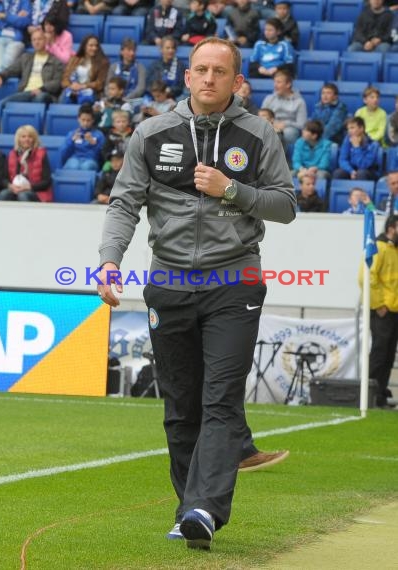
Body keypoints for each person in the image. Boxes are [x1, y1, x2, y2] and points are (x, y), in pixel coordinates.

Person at [97, 37, 296, 550]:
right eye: (200, 70)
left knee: (221, 398)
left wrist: (231, 189)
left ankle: (206, 508)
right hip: (169, 284)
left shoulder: (258, 134)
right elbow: (124, 204)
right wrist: (109, 262)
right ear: (187, 77)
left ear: (236, 80)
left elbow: (285, 204)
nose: (209, 78)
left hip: (235, 282)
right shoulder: (151, 131)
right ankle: (189, 509)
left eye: (219, 71)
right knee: (181, 406)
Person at [359, 214, 398, 408]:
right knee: (379, 354)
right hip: (383, 311)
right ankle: (369, 396)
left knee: (389, 355)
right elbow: (366, 277)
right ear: (391, 227)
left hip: (394, 311)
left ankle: (380, 396)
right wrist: (379, 305)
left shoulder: (394, 249)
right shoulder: (379, 247)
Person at [0, 28, 64, 106]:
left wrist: (41, 89)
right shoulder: (26, 58)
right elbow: (11, 70)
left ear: (45, 41)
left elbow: (57, 82)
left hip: (44, 94)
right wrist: (0, 76)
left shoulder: (56, 62)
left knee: (40, 98)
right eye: (34, 40)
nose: (37, 42)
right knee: (5, 104)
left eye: (39, 39)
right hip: (26, 93)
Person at [0, 125, 52, 202]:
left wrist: (28, 187)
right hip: (15, 189)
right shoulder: (12, 154)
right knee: (4, 194)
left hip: (36, 192)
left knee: (23, 195)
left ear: (34, 139)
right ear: (19, 139)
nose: (26, 139)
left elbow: (47, 182)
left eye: (30, 137)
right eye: (23, 137)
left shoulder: (41, 154)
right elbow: (3, 179)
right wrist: (10, 186)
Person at [261, 69, 307, 146]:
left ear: (288, 84)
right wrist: (273, 124)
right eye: (275, 82)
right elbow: (261, 117)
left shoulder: (299, 102)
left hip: (288, 129)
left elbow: (302, 124)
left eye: (278, 82)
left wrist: (285, 124)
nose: (275, 85)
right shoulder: (269, 98)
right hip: (271, 126)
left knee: (288, 133)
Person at [60, 35, 109, 105]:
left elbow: (100, 83)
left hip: (90, 91)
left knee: (86, 99)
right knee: (65, 96)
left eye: (96, 46)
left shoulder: (103, 62)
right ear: (84, 46)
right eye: (91, 45)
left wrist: (83, 86)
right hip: (73, 88)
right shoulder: (74, 59)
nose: (94, 48)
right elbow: (65, 78)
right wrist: (71, 86)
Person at [333, 117, 380, 181]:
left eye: (352, 128)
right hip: (352, 169)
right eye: (348, 129)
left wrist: (356, 147)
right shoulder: (347, 140)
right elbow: (342, 160)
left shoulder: (373, 145)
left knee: (361, 173)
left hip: (368, 171)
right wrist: (351, 170)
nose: (349, 131)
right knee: (338, 173)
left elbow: (363, 165)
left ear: (361, 128)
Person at [0, 0, 30, 73]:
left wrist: (5, 16)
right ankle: (1, 77)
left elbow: (24, 22)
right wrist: (15, 19)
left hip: (16, 40)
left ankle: (0, 77)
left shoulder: (24, 2)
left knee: (2, 67)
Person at [60, 104, 105, 170]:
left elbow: (102, 157)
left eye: (88, 120)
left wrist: (94, 144)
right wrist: (71, 142)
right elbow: (63, 154)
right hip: (74, 159)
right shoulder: (72, 134)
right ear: (78, 119)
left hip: (91, 160)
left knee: (86, 167)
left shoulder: (99, 135)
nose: (85, 123)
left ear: (93, 120)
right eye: (83, 120)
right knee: (73, 166)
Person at [146, 35, 186, 100]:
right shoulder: (154, 66)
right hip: (155, 99)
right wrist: (157, 93)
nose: (170, 50)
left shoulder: (181, 66)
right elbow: (148, 85)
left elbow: (182, 86)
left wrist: (169, 91)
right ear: (161, 49)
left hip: (174, 100)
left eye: (173, 48)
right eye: (168, 48)